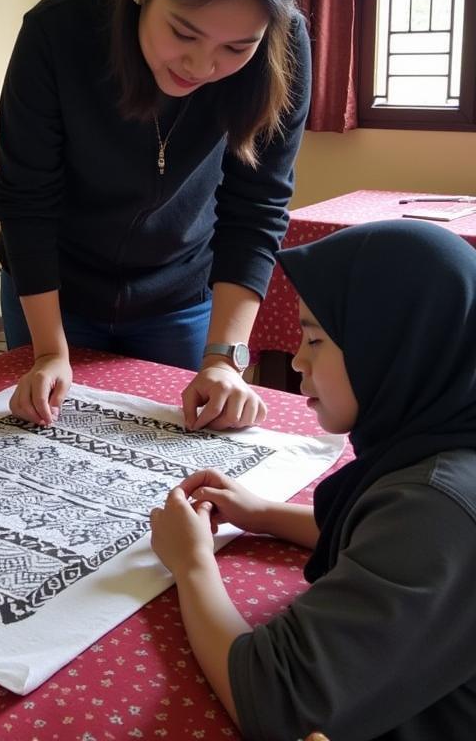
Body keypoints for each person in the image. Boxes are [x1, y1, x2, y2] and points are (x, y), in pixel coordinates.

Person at [0, 0, 311, 433]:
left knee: (175, 456)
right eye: (184, 32)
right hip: (54, 290)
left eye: (237, 47)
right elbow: (26, 200)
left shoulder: (282, 50)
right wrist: (49, 353)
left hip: (180, 294)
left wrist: (225, 359)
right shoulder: (58, 32)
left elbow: (256, 207)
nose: (202, 64)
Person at [149, 219, 476, 739]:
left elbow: (275, 698)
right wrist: (262, 514)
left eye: (316, 339)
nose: (297, 359)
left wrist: (191, 563)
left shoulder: (435, 508)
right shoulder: (444, 432)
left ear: (391, 344)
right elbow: (383, 541)